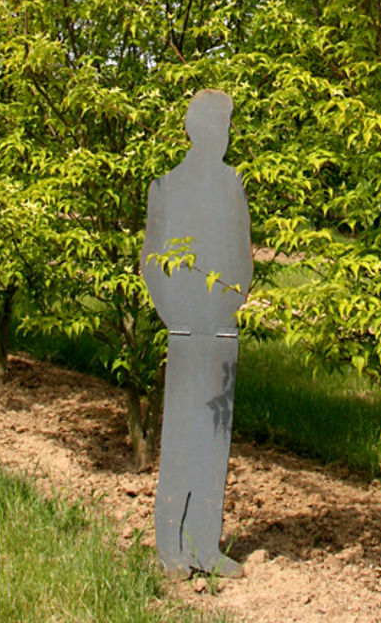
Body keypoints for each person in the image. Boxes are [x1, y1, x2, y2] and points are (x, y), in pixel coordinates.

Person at [141, 89, 252, 576]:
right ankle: (171, 549)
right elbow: (153, 262)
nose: (223, 137)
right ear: (198, 131)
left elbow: (242, 259)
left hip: (221, 331)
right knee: (182, 433)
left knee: (214, 435)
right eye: (217, 127)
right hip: (185, 331)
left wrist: (226, 310)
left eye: (226, 128)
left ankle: (206, 546)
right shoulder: (165, 187)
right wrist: (177, 316)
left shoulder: (234, 185)